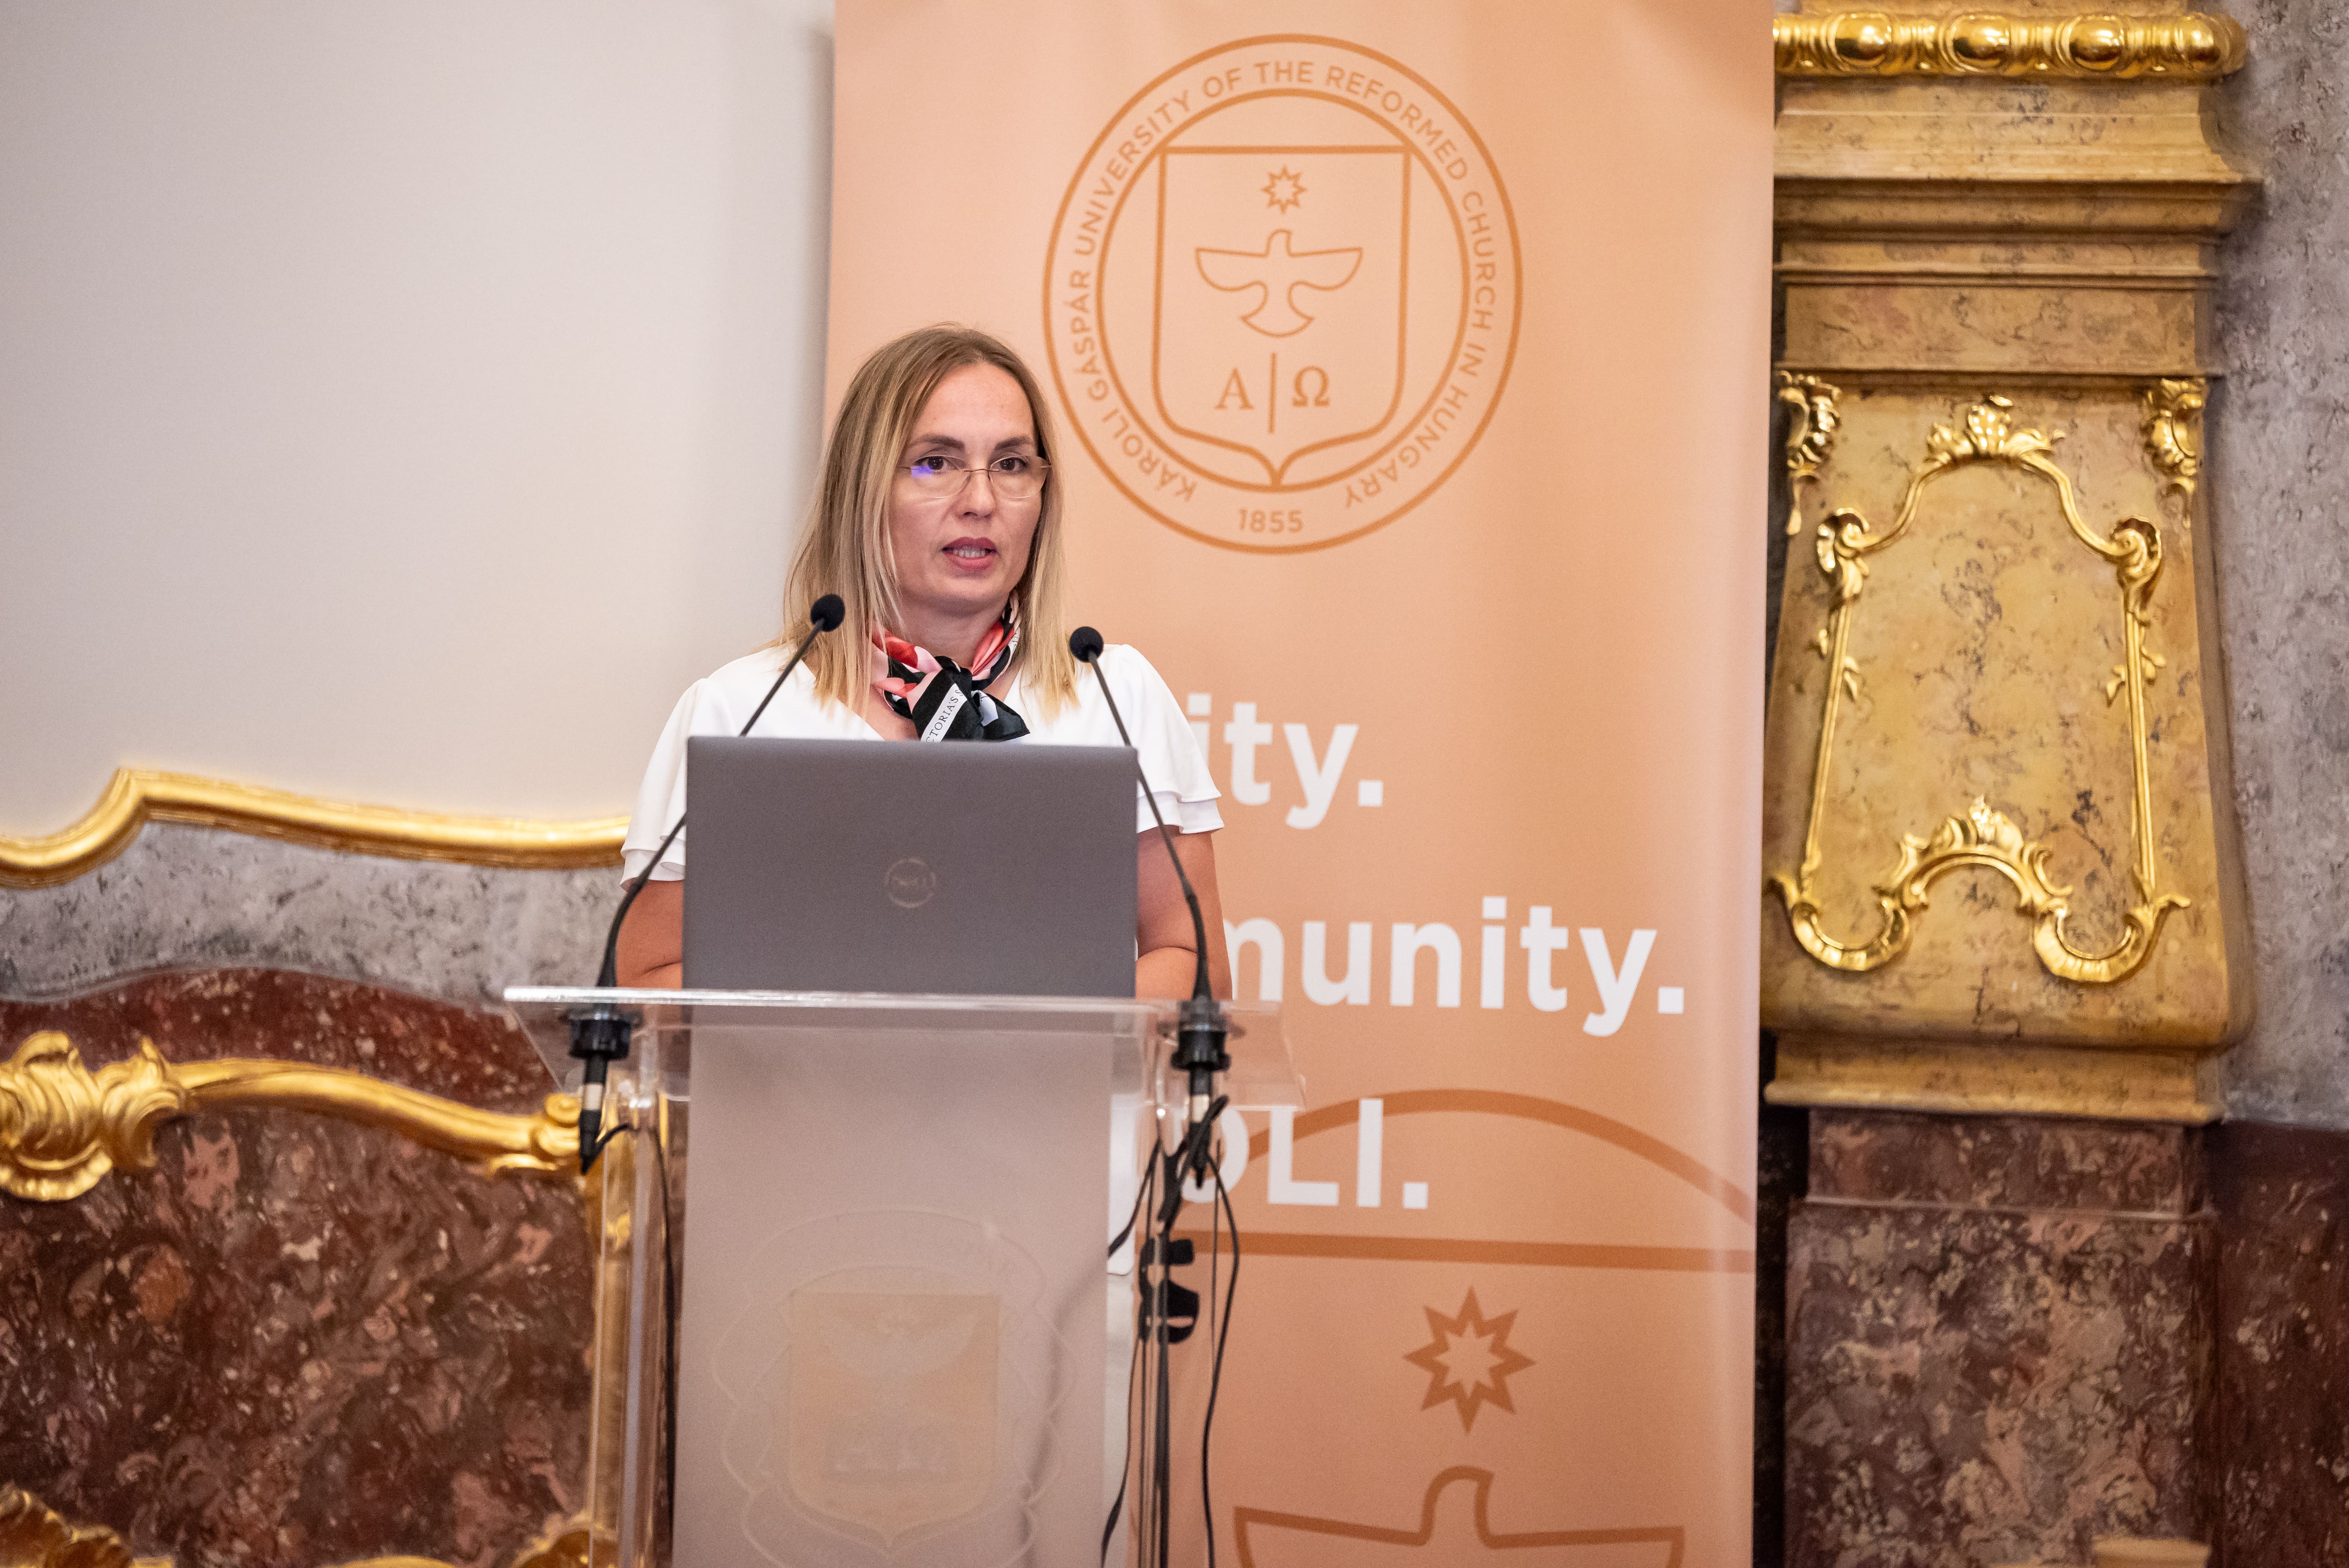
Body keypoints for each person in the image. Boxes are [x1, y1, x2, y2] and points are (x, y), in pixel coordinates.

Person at [613, 324, 1231, 997]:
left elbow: (1192, 963)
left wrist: (1022, 1035)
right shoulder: (739, 711)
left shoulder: (1117, 693)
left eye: (1011, 465)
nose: (981, 502)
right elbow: (648, 981)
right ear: (863, 490)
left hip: (1048, 1072)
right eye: (936, 463)